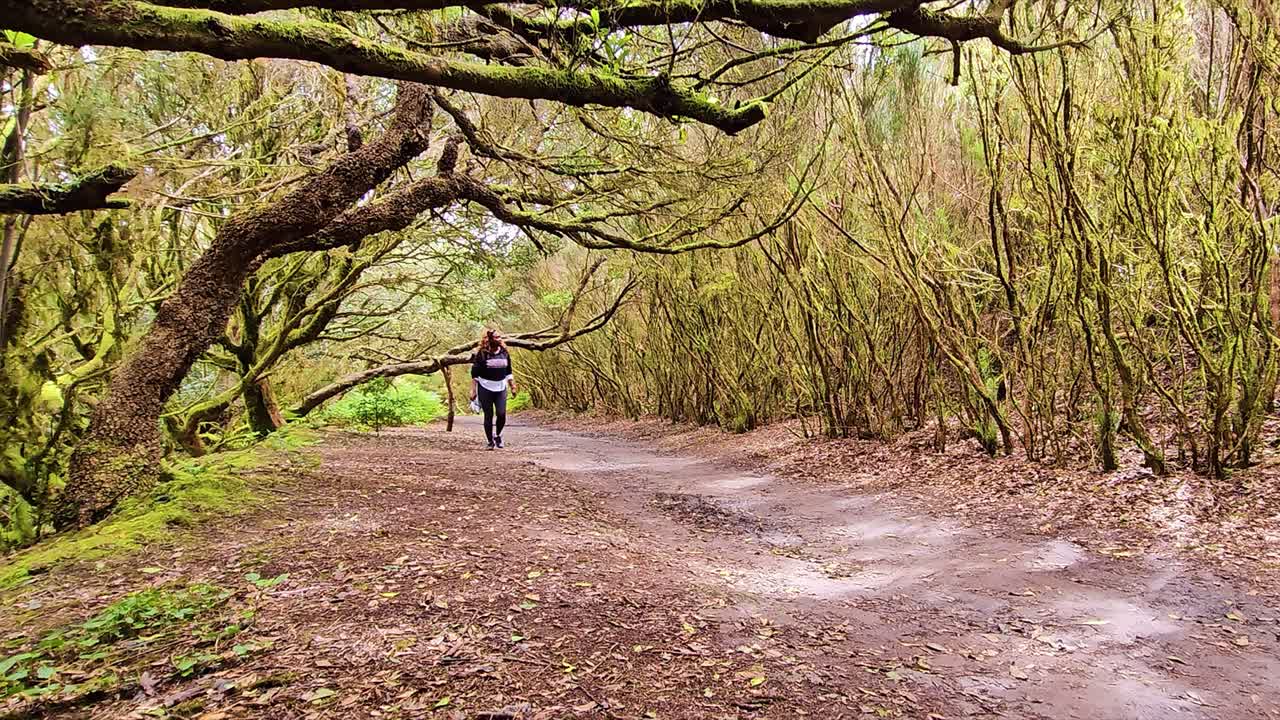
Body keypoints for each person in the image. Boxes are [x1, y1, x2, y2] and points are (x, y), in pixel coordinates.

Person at [469, 328, 516, 449]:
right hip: (485, 387)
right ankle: (490, 441)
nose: (499, 339)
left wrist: (512, 386)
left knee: (501, 413)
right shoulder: (482, 354)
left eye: (500, 337)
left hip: (501, 386)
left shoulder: (504, 352)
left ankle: (498, 435)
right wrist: (473, 390)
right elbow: (475, 374)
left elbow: (508, 371)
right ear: (490, 339)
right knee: (488, 415)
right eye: (496, 337)